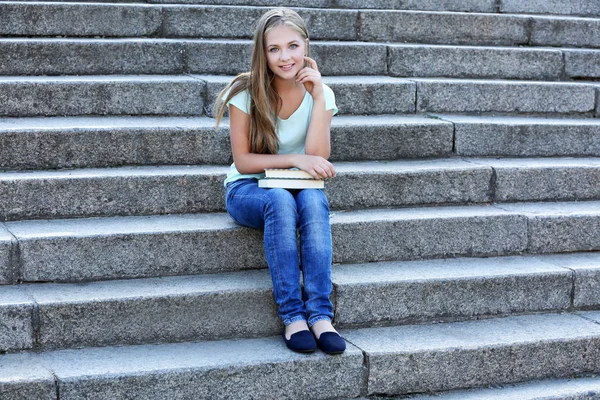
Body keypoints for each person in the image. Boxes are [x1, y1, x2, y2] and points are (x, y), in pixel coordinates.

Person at [214, 7, 345, 354]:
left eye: (292, 46)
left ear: (306, 46)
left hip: (301, 186)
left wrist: (318, 98)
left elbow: (318, 155)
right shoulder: (245, 92)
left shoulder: (323, 93)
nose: (285, 57)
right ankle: (293, 316)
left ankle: (320, 315)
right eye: (274, 49)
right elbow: (243, 162)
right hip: (248, 189)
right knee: (280, 201)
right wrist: (294, 158)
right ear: (263, 52)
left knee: (314, 202)